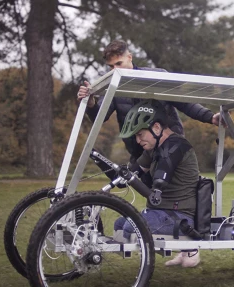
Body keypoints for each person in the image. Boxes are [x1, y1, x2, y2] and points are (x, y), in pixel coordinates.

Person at [77, 40, 222, 164]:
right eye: (111, 66)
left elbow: (185, 103)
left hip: (169, 146)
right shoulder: (113, 86)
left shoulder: (158, 76)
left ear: (130, 57)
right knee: (151, 196)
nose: (115, 70)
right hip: (139, 152)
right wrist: (91, 103)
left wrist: (210, 117)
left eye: (119, 63)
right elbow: (99, 117)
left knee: (174, 193)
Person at [114, 99, 201, 268]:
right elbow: (134, 171)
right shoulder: (153, 148)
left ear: (156, 128)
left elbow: (162, 175)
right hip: (161, 214)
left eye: (140, 134)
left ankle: (190, 247)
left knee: (130, 228)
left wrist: (150, 186)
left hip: (180, 217)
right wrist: (117, 173)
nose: (138, 141)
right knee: (119, 224)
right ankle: (187, 251)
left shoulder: (178, 145)